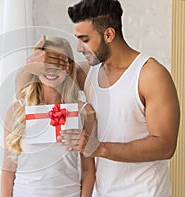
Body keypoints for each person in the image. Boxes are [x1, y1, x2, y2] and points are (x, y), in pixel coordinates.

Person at [20, 0, 181, 196]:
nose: (79, 48)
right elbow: (25, 95)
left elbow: (165, 146)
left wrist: (100, 149)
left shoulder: (150, 75)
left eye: (84, 39)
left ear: (109, 34)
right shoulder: (89, 74)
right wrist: (30, 65)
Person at [0, 37, 96, 197]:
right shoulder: (17, 111)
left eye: (59, 64)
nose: (52, 70)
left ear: (69, 67)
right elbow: (8, 169)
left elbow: (88, 171)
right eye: (46, 64)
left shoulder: (84, 113)